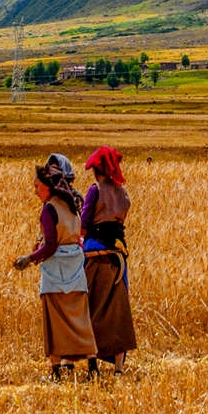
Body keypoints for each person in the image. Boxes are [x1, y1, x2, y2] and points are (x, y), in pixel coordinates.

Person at [12, 154, 98, 381]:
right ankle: (92, 367)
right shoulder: (70, 204)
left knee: (54, 320)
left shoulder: (49, 210)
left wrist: (29, 258)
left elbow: (50, 246)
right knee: (80, 317)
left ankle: (57, 372)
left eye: (37, 186)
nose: (35, 191)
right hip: (76, 266)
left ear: (48, 187)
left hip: (56, 269)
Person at [80, 145, 137, 375]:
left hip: (94, 254)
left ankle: (92, 364)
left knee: (90, 308)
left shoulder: (95, 190)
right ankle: (120, 368)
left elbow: (84, 221)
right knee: (118, 312)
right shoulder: (123, 193)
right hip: (118, 256)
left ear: (97, 169)